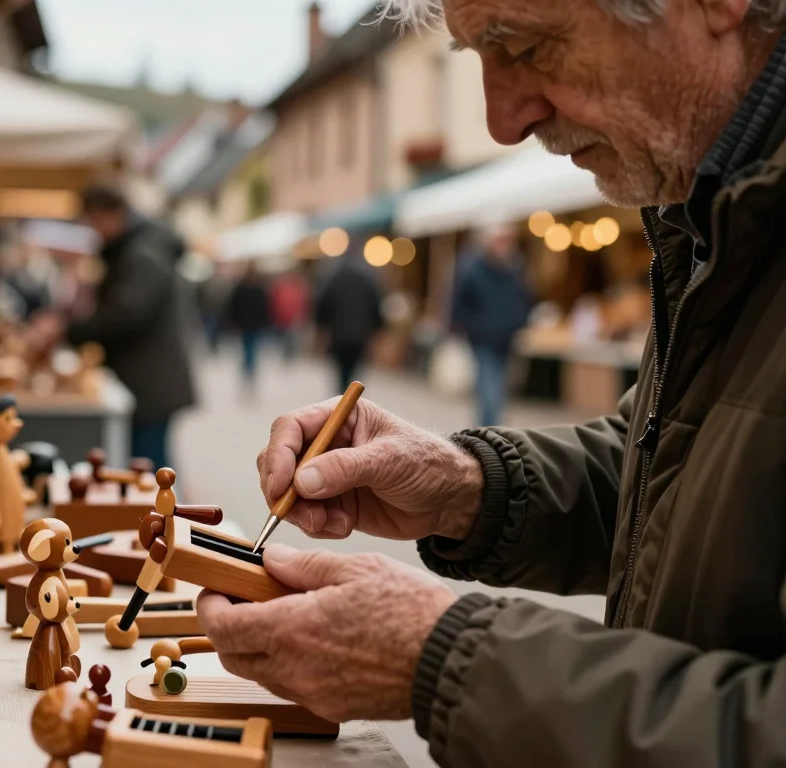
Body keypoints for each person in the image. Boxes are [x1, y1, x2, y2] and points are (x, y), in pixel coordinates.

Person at [195, 0, 786, 765]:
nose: (503, 120)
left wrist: (445, 656)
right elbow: (690, 471)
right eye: (474, 54)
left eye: (528, 45)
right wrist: (469, 486)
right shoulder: (711, 205)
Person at [39, 187, 195, 470]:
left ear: (110, 215)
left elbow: (125, 314)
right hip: (149, 378)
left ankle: (161, 516)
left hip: (149, 381)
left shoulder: (142, 252)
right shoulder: (140, 247)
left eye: (93, 221)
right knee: (149, 465)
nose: (93, 231)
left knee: (149, 469)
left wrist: (70, 330)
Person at [452, 223, 532, 425]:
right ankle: (488, 433)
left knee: (499, 390)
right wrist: (472, 328)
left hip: (506, 339)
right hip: (483, 338)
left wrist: (520, 321)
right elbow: (459, 303)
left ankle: (490, 432)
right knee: (489, 390)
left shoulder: (515, 268)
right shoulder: (473, 268)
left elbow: (524, 298)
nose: (503, 245)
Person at [315, 247, 383, 394]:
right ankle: (349, 396)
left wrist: (321, 328)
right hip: (360, 334)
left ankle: (343, 396)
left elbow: (322, 305)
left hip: (338, 334)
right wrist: (376, 330)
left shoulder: (334, 278)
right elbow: (376, 306)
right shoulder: (367, 280)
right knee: (354, 368)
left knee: (341, 369)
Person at [226, 264, 270, 389]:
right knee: (251, 347)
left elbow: (233, 307)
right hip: (251, 324)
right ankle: (249, 368)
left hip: (247, 324)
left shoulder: (242, 289)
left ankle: (248, 367)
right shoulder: (257, 289)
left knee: (248, 347)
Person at [268, 267, 310, 360]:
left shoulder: (297, 289)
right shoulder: (283, 289)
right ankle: (287, 351)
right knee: (286, 336)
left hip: (292, 317)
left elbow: (303, 303)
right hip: (284, 317)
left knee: (290, 336)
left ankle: (289, 352)